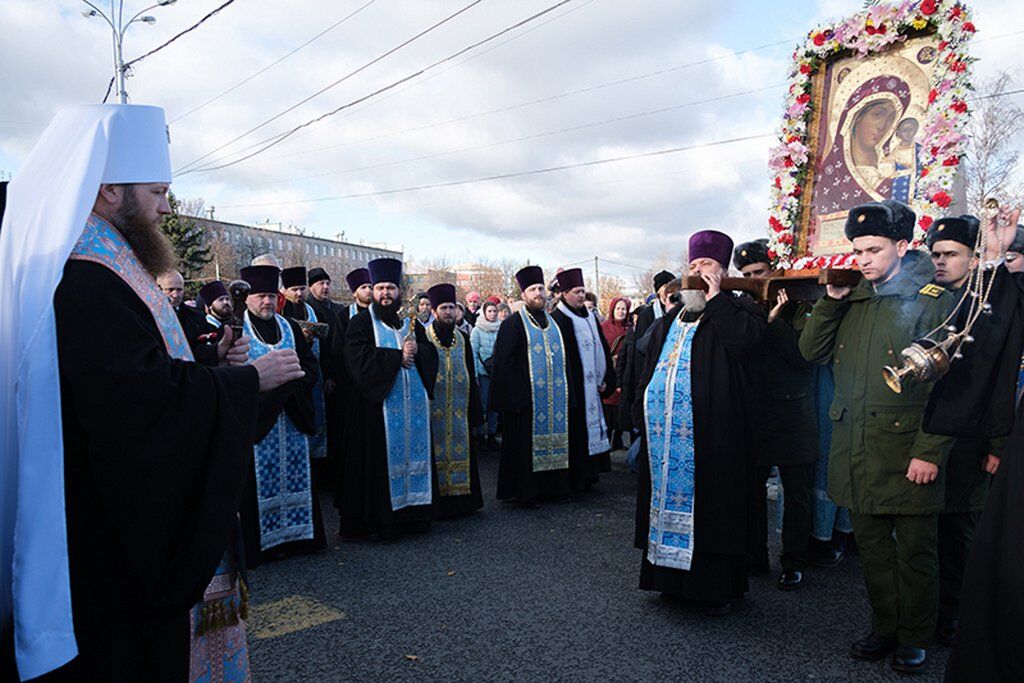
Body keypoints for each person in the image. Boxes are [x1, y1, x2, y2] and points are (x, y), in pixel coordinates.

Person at [0, 103, 305, 681]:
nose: (168, 205)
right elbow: (135, 405)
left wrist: (210, 364)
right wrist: (247, 381)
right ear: (111, 190)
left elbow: (135, 371)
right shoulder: (86, 274)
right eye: (159, 190)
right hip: (108, 539)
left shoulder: (105, 261)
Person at [799, 199, 955, 674]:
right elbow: (811, 351)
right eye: (857, 250)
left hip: (908, 450)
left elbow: (950, 388)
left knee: (915, 551)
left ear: (903, 246)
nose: (862, 259)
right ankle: (885, 626)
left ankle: (915, 635)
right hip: (856, 448)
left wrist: (929, 452)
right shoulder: (855, 299)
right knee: (873, 550)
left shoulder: (933, 301)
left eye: (873, 249)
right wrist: (831, 300)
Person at [633, 230, 765, 616]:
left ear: (722, 271)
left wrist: (716, 298)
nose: (696, 271)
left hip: (715, 436)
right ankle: (667, 582)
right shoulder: (672, 317)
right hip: (666, 439)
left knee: (714, 510)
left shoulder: (741, 310)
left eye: (705, 265)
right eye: (692, 265)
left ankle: (711, 590)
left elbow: (745, 345)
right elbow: (651, 364)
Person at [921, 215, 997, 646]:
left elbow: (1004, 380)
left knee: (960, 532)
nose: (941, 262)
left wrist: (998, 444)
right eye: (936, 254)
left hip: (971, 440)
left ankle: (957, 613)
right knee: (929, 533)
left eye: (951, 254)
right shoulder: (934, 301)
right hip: (931, 433)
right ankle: (930, 611)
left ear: (973, 256)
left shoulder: (988, 302)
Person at [734, 239, 818, 590]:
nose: (755, 281)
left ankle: (794, 561)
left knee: (797, 493)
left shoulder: (800, 305)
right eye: (747, 275)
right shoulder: (738, 307)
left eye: (760, 273)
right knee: (749, 492)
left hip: (793, 412)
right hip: (753, 412)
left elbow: (804, 357)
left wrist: (773, 323)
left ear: (775, 271)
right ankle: (754, 557)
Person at [337, 258, 439, 539]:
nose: (385, 294)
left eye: (390, 288)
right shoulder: (360, 323)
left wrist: (418, 352)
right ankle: (381, 523)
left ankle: (414, 516)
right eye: (380, 288)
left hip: (412, 411)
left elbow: (430, 356)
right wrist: (397, 357)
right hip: (375, 412)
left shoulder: (410, 323)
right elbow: (356, 360)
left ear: (398, 290)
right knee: (376, 468)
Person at [238, 265, 325, 568]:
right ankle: (264, 545)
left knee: (296, 474)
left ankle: (298, 538)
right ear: (248, 298)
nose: (266, 303)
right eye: (260, 296)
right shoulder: (238, 331)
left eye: (271, 296)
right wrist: (270, 389)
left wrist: (290, 386)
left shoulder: (289, 328)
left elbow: (310, 366)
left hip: (292, 418)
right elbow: (232, 377)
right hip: (257, 424)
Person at [491, 266, 572, 507]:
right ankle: (527, 493)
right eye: (532, 289)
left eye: (540, 288)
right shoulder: (513, 324)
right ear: (523, 295)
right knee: (524, 448)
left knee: (555, 441)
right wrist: (517, 397)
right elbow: (504, 364)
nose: (538, 293)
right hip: (525, 400)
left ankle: (553, 489)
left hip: (554, 397)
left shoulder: (555, 323)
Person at [551, 268, 615, 485]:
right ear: (564, 293)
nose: (581, 296)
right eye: (577, 292)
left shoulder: (589, 316)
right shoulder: (558, 319)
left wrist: (605, 378)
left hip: (592, 387)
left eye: (583, 291)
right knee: (576, 433)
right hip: (574, 389)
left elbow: (602, 347)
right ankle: (576, 478)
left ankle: (590, 475)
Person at [425, 284, 484, 517]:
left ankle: (462, 502)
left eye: (451, 307)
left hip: (460, 410)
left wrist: (475, 413)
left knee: (464, 450)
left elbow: (471, 372)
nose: (449, 312)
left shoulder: (463, 338)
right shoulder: (425, 337)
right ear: (434, 311)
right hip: (433, 410)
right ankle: (437, 504)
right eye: (443, 308)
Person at [280, 266, 327, 462]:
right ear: (284, 290)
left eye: (301, 288)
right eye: (294, 289)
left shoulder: (309, 309)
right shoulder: (280, 311)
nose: (299, 293)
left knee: (317, 420)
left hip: (313, 374)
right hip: (293, 377)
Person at [305, 267, 346, 491]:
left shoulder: (337, 309)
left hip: (335, 374)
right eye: (320, 283)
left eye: (328, 283)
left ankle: (333, 473)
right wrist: (327, 374)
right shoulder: (310, 309)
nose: (325, 287)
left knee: (334, 426)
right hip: (318, 374)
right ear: (311, 286)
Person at [601, 296, 631, 451]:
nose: (621, 311)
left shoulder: (630, 328)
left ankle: (618, 439)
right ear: (612, 309)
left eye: (624, 309)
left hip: (624, 373)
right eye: (618, 308)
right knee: (608, 410)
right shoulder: (604, 327)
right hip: (609, 371)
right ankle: (606, 441)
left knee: (621, 407)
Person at [470, 299, 501, 451]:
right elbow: (473, 353)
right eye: (489, 311)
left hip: (497, 374)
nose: (493, 314)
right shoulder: (477, 330)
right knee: (483, 405)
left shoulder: (501, 328)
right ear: (484, 312)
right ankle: (481, 435)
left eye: (495, 311)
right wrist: (475, 374)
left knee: (495, 406)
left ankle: (492, 435)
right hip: (483, 374)